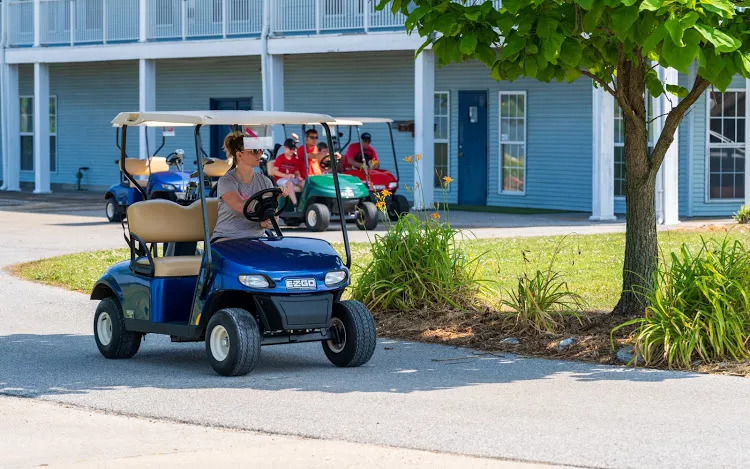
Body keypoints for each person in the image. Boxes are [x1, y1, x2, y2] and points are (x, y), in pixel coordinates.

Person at [212, 131, 286, 241]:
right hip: (227, 237)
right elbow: (241, 206)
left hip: (256, 238)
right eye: (255, 151)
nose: (260, 154)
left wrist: (268, 221)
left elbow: (272, 217)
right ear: (239, 155)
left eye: (261, 150)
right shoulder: (226, 181)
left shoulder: (265, 181)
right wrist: (270, 200)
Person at [271, 138, 305, 210]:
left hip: (291, 178)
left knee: (304, 183)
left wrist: (298, 176)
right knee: (289, 183)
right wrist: (286, 176)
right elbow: (274, 171)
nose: (292, 151)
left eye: (293, 149)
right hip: (280, 179)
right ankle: (296, 205)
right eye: (290, 149)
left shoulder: (294, 159)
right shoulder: (280, 158)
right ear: (285, 148)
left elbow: (296, 171)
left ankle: (304, 204)